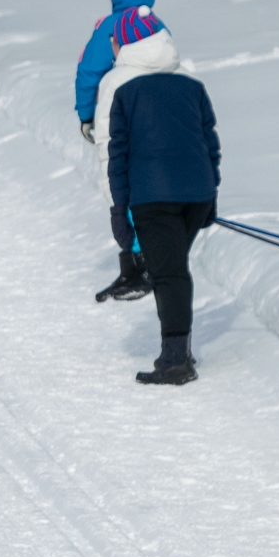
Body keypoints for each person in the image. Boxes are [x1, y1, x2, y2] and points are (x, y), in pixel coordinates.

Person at [106, 21, 219, 386]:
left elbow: (118, 159)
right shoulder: (192, 87)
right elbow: (210, 144)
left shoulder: (126, 93)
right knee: (171, 268)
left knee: (167, 273)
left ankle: (175, 361)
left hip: (154, 197)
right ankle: (180, 349)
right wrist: (210, 192)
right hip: (196, 194)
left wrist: (120, 210)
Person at [77, 0, 169, 302]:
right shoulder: (159, 27)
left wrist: (86, 116)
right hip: (158, 124)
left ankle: (137, 268)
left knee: (121, 189)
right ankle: (145, 262)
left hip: (120, 123)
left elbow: (88, 72)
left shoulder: (111, 28)